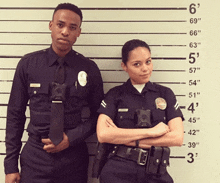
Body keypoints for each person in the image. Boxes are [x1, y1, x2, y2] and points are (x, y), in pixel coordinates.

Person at [4, 3, 104, 183]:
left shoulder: (89, 69)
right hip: (35, 157)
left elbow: (99, 116)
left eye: (72, 28)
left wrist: (71, 138)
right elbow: (14, 116)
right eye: (60, 25)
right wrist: (10, 166)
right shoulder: (28, 65)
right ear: (51, 25)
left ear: (79, 32)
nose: (65, 32)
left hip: (73, 159)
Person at [96, 39, 184, 183]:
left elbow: (177, 138)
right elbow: (103, 134)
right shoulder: (115, 95)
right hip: (118, 170)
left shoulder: (165, 94)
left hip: (156, 171)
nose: (145, 68)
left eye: (148, 62)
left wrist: (126, 139)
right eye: (137, 64)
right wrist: (151, 132)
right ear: (124, 66)